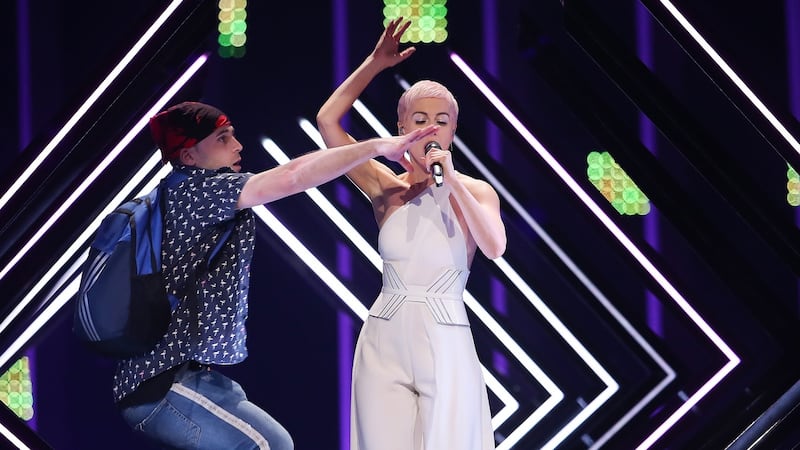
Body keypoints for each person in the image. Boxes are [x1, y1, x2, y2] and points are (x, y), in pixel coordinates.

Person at [112, 101, 438, 449]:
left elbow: (295, 169)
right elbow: (293, 176)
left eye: (233, 135)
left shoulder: (184, 193)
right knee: (267, 444)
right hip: (160, 385)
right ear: (189, 156)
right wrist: (377, 147)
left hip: (183, 377)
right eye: (222, 139)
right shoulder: (198, 192)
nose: (238, 146)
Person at [316, 18, 507, 450]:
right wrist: (374, 63)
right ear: (402, 128)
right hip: (384, 334)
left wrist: (451, 181)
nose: (431, 128)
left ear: (453, 130)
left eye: (442, 121)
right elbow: (327, 121)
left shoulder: (476, 191)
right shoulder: (385, 187)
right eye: (420, 119)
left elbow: (495, 248)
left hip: (445, 333)